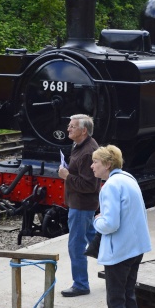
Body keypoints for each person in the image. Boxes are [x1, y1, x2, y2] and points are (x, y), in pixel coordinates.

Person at [91, 145, 152, 308]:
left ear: (107, 164)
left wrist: (96, 220)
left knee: (115, 300)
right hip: (136, 248)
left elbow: (110, 224)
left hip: (120, 251)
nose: (92, 166)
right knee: (128, 296)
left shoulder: (109, 187)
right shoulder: (128, 178)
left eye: (95, 162)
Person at [56, 114, 100, 298]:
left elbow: (89, 185)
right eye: (69, 126)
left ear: (83, 130)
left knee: (76, 245)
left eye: (72, 127)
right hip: (80, 204)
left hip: (82, 205)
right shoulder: (80, 145)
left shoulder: (88, 151)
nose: (68, 129)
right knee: (95, 239)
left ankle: (81, 284)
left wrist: (67, 176)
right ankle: (120, 266)